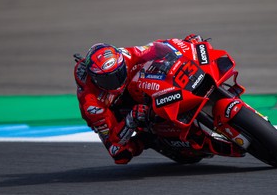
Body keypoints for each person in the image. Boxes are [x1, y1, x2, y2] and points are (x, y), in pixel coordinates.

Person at [74, 34, 203, 164]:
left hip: (133, 87)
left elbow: (155, 47)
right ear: (96, 80)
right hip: (112, 111)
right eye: (108, 80)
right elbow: (114, 142)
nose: (116, 81)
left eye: (118, 73)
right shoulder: (92, 104)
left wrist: (186, 44)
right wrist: (130, 119)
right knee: (121, 154)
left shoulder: (125, 55)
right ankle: (149, 139)